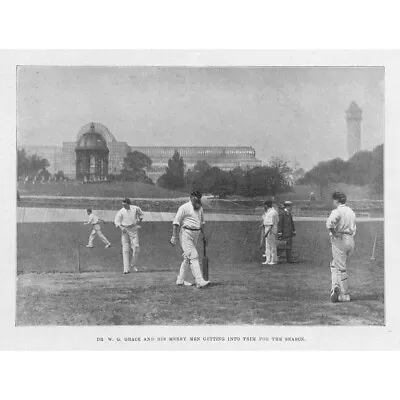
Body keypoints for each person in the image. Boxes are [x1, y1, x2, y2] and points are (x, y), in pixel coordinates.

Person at [170, 191, 210, 288]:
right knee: (194, 256)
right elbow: (176, 223)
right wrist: (174, 237)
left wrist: (204, 235)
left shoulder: (200, 207)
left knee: (187, 258)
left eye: (200, 198)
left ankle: (180, 280)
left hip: (196, 234)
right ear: (191, 198)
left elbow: (202, 222)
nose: (198, 200)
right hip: (186, 234)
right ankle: (199, 281)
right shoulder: (184, 207)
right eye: (197, 198)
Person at [326, 191, 356, 303]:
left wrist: (334, 233)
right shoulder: (351, 211)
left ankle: (344, 294)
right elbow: (354, 228)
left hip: (340, 239)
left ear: (336, 200)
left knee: (341, 268)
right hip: (350, 240)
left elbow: (329, 224)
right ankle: (335, 287)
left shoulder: (337, 211)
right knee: (334, 264)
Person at [114, 198, 144, 274]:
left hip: (133, 229)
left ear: (129, 204)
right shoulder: (121, 211)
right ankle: (126, 269)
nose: (124, 206)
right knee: (125, 249)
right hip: (124, 230)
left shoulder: (135, 208)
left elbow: (141, 215)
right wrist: (121, 227)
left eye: (125, 204)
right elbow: (116, 222)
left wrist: (139, 221)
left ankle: (133, 264)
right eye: (123, 205)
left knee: (136, 247)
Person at [261, 200, 279, 265]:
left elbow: (271, 224)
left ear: (266, 205)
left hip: (271, 231)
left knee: (272, 245)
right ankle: (268, 260)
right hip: (267, 229)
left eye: (264, 205)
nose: (263, 206)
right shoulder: (268, 212)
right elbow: (266, 222)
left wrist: (266, 233)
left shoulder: (272, 212)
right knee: (267, 246)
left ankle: (274, 260)